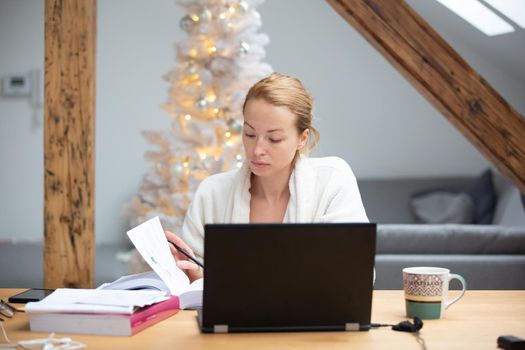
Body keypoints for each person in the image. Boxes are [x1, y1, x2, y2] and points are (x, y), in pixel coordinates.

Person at [165, 72, 369, 282]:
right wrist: (194, 275)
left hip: (315, 315)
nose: (257, 150)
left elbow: (358, 273)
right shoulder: (212, 192)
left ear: (302, 138)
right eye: (250, 134)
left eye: (274, 139)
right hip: (231, 316)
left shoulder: (332, 180)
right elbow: (197, 281)